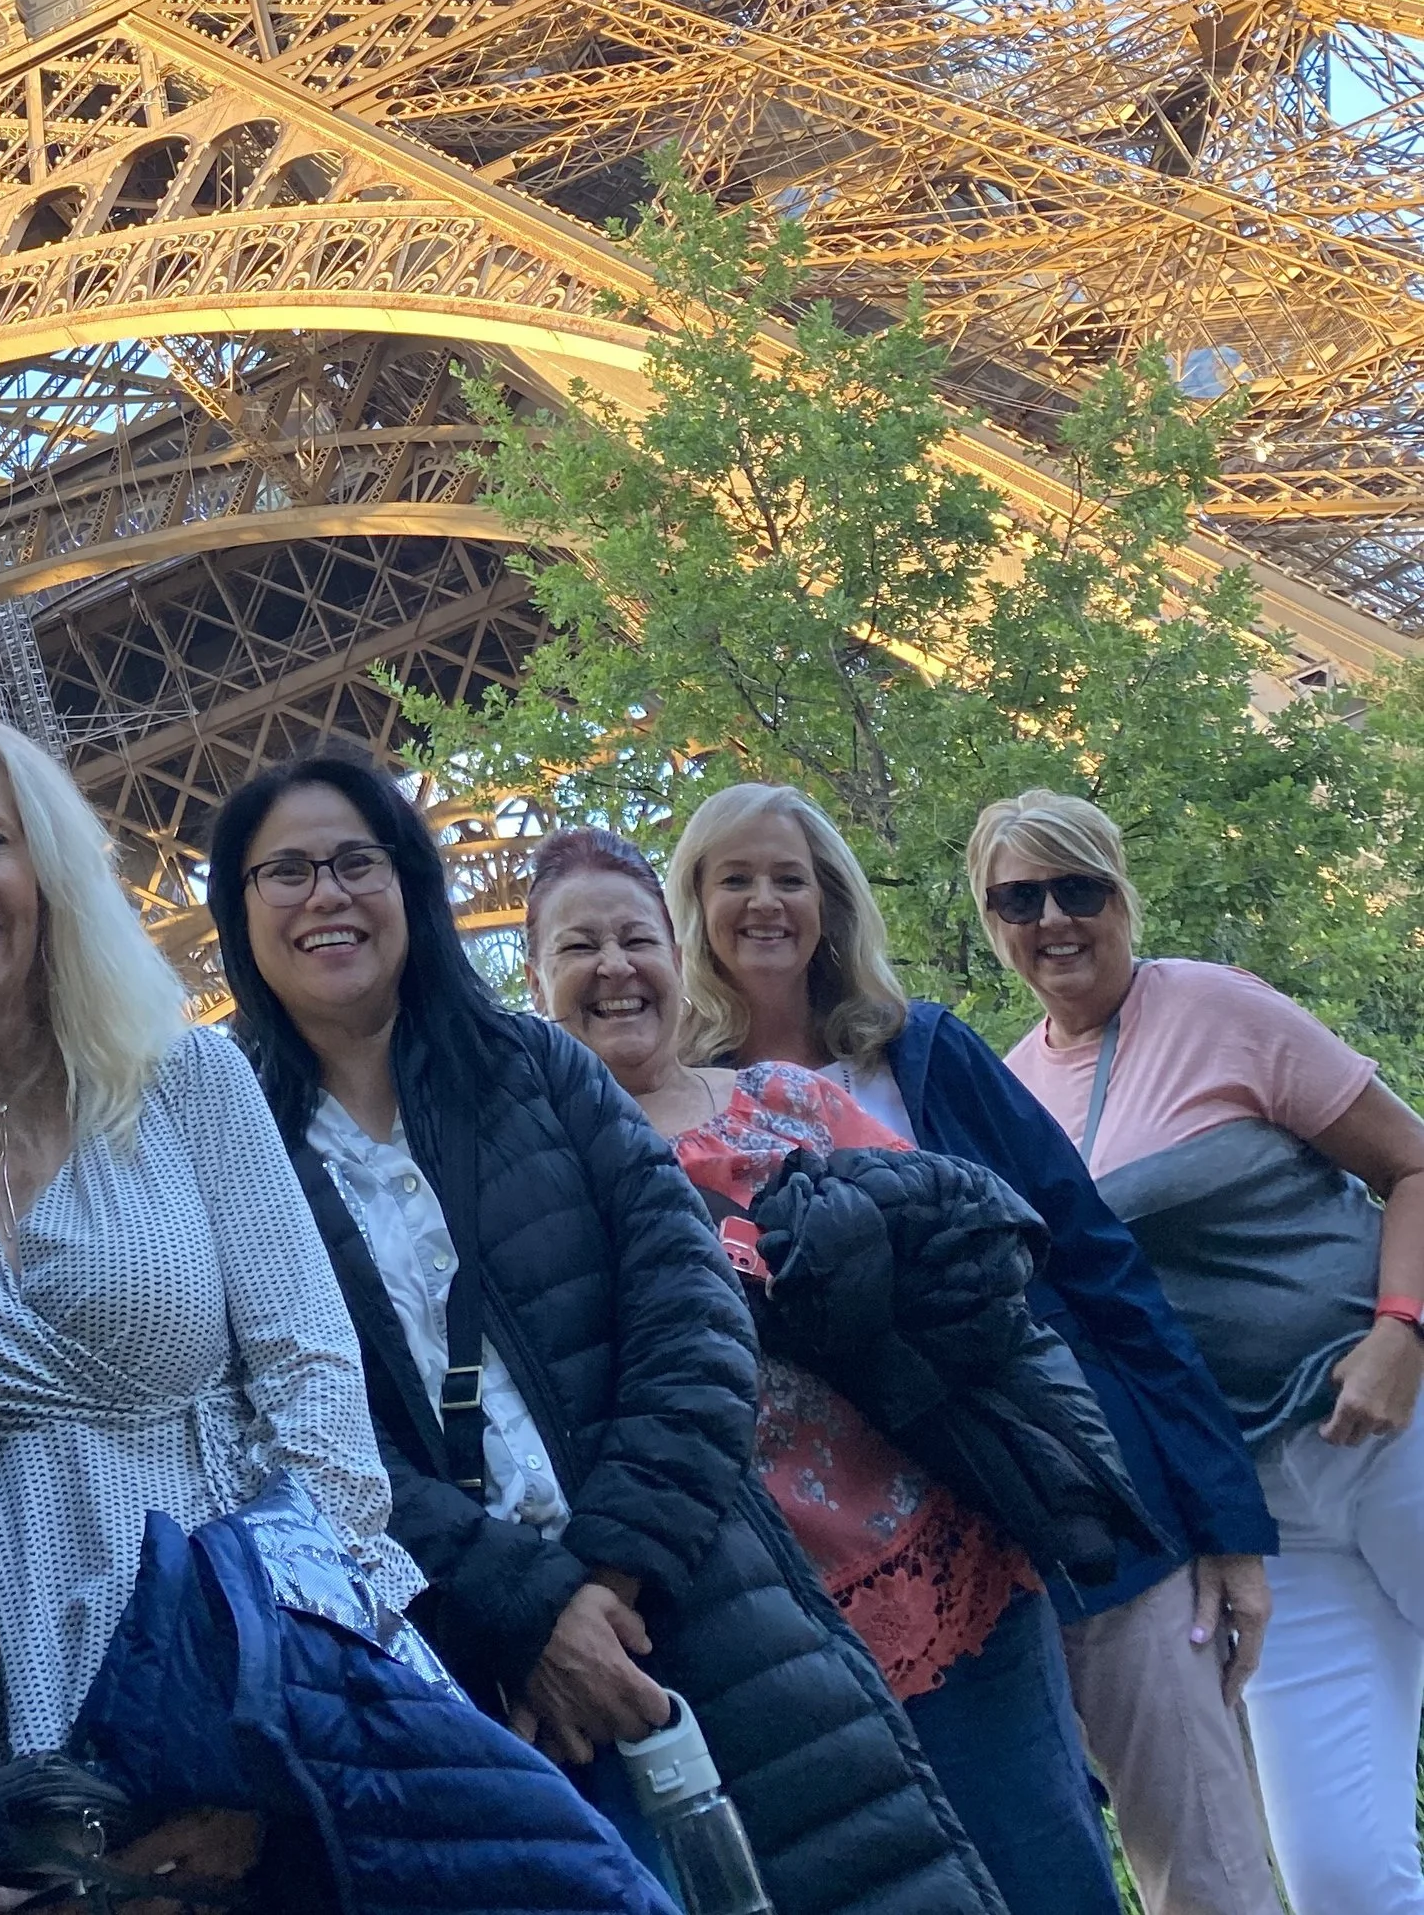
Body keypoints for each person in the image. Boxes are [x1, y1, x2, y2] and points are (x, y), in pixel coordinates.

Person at [208, 746, 1011, 1915]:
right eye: (284, 872)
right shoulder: (226, 1150)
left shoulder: (536, 1069)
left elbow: (688, 1310)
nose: (326, 895)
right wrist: (522, 1610)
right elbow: (280, 1429)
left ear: (411, 886)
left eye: (354, 862)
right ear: (238, 915)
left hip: (690, 1603)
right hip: (476, 1671)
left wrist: (604, 1579)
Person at [668, 780, 1282, 1915]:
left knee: (1208, 1873)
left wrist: (1225, 1525)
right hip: (906, 1578)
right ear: (691, 905)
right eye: (733, 878)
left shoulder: (923, 1054)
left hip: (1082, 1509)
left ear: (831, 901)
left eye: (789, 876)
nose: (764, 902)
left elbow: (1099, 1272)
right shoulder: (665, 1110)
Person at [0, 712, 428, 1761]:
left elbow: (313, 1372)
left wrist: (274, 1641)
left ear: (51, 870)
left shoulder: (187, 1080)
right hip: (0, 1708)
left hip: (248, 1653)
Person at [540, 825, 1115, 1915]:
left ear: (676, 954)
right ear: (535, 986)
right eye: (577, 949)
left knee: (1051, 1879)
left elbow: (976, 1253)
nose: (613, 967)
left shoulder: (784, 1100)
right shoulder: (543, 1199)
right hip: (757, 1643)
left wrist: (853, 1262)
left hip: (941, 1558)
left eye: (634, 938)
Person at [979, 786, 1424, 1915]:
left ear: (1121, 894)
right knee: (1339, 1876)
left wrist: (1399, 1335)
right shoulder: (1007, 1089)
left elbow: (1413, 1165)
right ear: (992, 923)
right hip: (1262, 1513)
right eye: (1019, 898)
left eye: (1076, 887)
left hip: (1392, 1429)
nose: (1053, 920)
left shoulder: (1217, 1008)